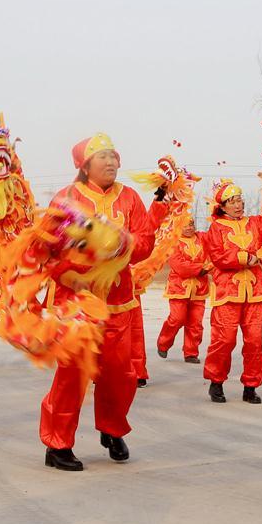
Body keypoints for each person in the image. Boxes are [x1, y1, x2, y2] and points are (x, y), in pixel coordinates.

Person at [41, 133, 167, 471]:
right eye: (103, 157)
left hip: (119, 299)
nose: (111, 162)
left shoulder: (129, 198)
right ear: (84, 165)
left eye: (114, 156)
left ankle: (111, 429)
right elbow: (48, 251)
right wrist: (71, 272)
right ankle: (58, 443)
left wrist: (122, 243)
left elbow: (146, 241)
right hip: (77, 300)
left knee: (120, 374)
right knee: (72, 374)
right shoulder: (66, 199)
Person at [203, 180, 262, 404]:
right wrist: (244, 257)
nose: (238, 205)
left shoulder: (255, 223)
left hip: (254, 290)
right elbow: (217, 256)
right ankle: (216, 381)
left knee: (254, 341)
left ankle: (251, 386)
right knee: (225, 340)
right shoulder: (216, 228)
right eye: (232, 202)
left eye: (240, 200)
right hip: (227, 291)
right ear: (222, 206)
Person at [156, 220, 210, 364]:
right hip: (179, 288)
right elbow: (178, 265)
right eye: (184, 225)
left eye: (191, 225)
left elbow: (215, 241)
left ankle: (191, 352)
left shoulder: (202, 239)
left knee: (196, 322)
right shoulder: (173, 243)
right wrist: (201, 268)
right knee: (177, 318)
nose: (188, 228)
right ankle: (163, 343)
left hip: (199, 288)